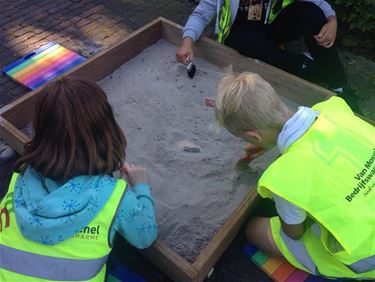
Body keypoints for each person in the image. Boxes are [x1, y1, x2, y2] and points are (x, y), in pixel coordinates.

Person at [214, 71, 375, 278]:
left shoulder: (284, 177)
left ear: (253, 136)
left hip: (366, 255)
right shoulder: (334, 110)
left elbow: (294, 233)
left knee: (254, 230)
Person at [0, 77, 157, 281]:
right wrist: (142, 187)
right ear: (106, 132)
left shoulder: (21, 178)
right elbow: (145, 237)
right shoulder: (114, 195)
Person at [176, 0, 360, 111]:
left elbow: (315, 2)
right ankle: (304, 66)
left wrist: (332, 20)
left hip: (273, 27)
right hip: (241, 33)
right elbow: (201, 14)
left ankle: (340, 86)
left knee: (310, 12)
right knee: (244, 41)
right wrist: (187, 41)